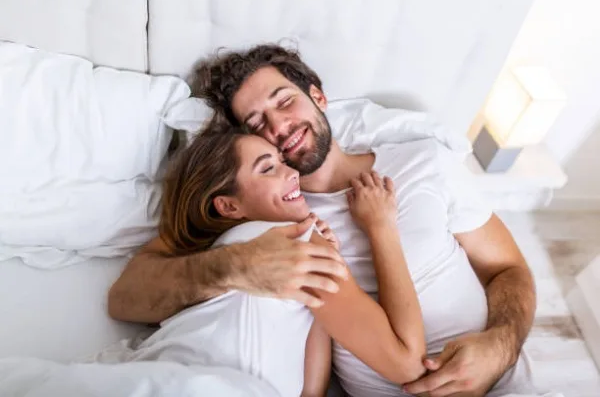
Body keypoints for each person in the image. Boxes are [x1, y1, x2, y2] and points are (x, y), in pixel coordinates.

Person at [109, 45, 538, 397]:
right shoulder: (266, 209)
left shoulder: (424, 161)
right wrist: (235, 266)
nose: (280, 126)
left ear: (318, 97)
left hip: (500, 383)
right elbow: (128, 297)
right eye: (257, 123)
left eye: (285, 101)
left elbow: (508, 268)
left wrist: (501, 345)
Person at [123, 124, 426, 397]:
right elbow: (406, 363)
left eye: (283, 162)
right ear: (228, 206)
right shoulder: (279, 239)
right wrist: (382, 227)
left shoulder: (226, 253)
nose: (292, 173)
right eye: (268, 168)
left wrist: (322, 275)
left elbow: (310, 392)